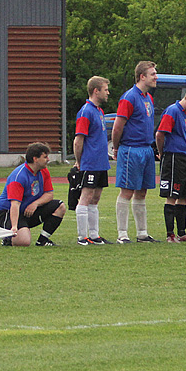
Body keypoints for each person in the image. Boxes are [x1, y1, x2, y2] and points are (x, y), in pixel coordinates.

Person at [111, 61, 159, 244]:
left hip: (146, 149)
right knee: (127, 191)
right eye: (153, 74)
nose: (156, 77)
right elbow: (118, 126)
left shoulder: (148, 97)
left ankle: (142, 233)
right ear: (142, 77)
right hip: (131, 148)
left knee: (142, 192)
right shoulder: (129, 97)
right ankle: (122, 234)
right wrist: (116, 148)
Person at [156, 87, 186, 242]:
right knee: (172, 195)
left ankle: (182, 232)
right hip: (174, 157)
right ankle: (170, 234)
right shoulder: (172, 111)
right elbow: (160, 134)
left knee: (185, 195)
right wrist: (162, 152)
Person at [0, 142, 66, 246]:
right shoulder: (19, 176)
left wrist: (35, 204)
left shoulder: (44, 171)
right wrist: (14, 227)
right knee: (24, 242)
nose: (48, 160)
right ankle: (8, 239)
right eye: (45, 157)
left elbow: (49, 194)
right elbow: (15, 204)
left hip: (28, 210)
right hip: (8, 212)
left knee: (60, 206)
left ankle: (43, 240)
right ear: (35, 159)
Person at [73, 76, 113, 245]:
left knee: (95, 198)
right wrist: (79, 161)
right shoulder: (86, 112)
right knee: (86, 196)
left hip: (101, 162)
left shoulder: (99, 111)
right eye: (105, 90)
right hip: (90, 162)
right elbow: (78, 140)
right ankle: (82, 237)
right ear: (96, 91)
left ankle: (94, 235)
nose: (108, 93)